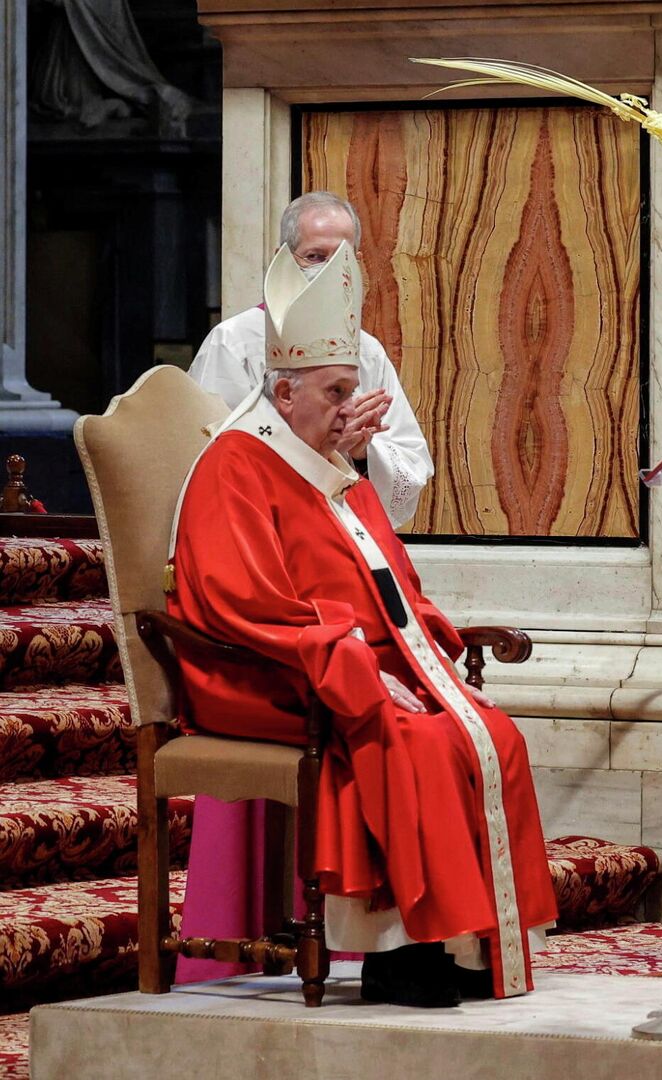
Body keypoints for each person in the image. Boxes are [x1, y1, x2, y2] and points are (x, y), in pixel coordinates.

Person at [168, 241, 556, 1007]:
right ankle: (395, 954)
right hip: (264, 672)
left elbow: (389, 574)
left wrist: (419, 654)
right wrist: (351, 664)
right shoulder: (236, 464)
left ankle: (460, 949)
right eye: (336, 389)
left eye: (352, 387)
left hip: (339, 659)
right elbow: (234, 600)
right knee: (402, 736)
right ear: (284, 394)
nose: (350, 407)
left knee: (487, 730)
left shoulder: (327, 459)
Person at [189, 192, 433, 526]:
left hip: (348, 527)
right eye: (315, 256)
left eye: (340, 259)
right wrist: (321, 446)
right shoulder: (234, 343)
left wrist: (362, 454)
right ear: (283, 260)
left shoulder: (369, 351)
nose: (328, 272)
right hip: (263, 527)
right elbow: (209, 456)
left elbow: (411, 466)